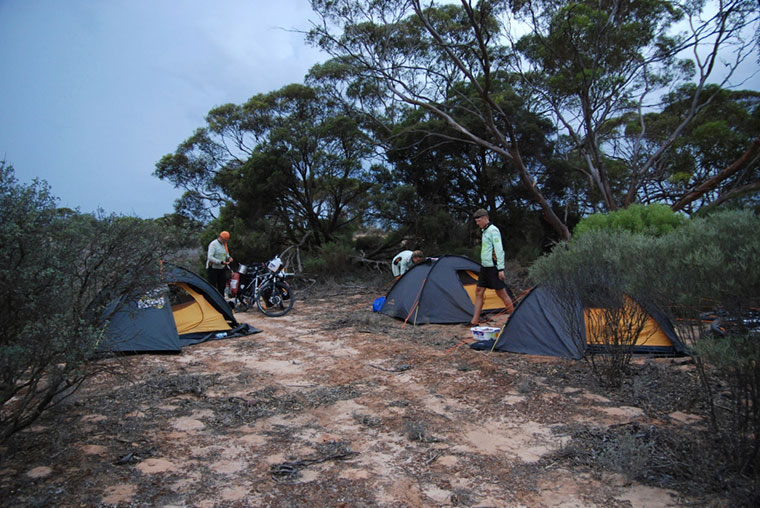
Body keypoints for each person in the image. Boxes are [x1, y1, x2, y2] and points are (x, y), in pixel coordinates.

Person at [470, 209, 514, 326]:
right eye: (476, 221)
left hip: (493, 267)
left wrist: (501, 269)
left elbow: (499, 250)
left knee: (501, 293)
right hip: (484, 267)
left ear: (485, 218)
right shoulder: (484, 231)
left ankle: (514, 318)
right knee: (479, 291)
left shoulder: (493, 230)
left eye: (479, 221)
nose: (477, 223)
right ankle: (474, 321)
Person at [207, 231, 233, 295]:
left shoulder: (224, 245)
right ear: (221, 237)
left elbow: (226, 254)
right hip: (213, 268)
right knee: (212, 286)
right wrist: (220, 262)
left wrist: (229, 258)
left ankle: (221, 299)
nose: (225, 241)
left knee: (222, 285)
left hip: (222, 268)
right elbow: (210, 257)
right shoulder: (213, 244)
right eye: (225, 240)